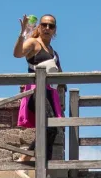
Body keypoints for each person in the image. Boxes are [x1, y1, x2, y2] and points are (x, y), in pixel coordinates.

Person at [12, 13, 66, 161]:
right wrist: (22, 33)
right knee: (49, 127)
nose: (47, 28)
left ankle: (31, 161)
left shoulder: (53, 52)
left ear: (55, 30)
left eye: (51, 26)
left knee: (52, 129)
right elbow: (17, 54)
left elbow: (61, 76)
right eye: (44, 25)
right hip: (37, 92)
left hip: (50, 94)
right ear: (39, 26)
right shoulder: (33, 43)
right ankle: (33, 162)